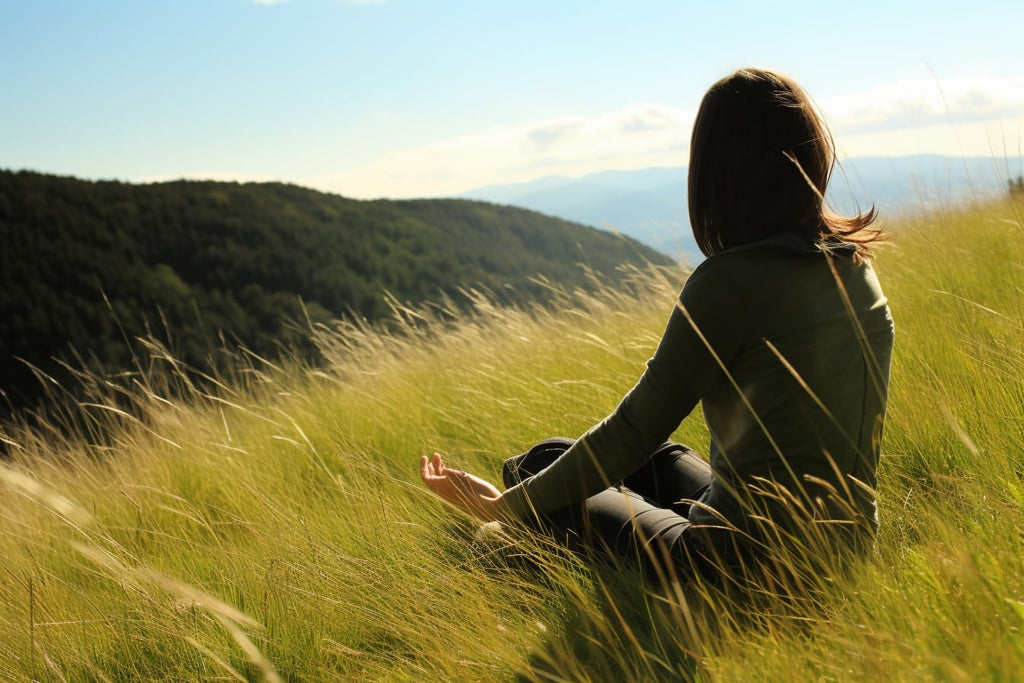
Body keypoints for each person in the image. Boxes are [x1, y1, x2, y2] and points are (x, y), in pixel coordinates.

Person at [419, 68, 894, 586]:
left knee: (534, 475)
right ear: (810, 158)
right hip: (847, 553)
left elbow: (631, 432)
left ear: (716, 173)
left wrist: (503, 508)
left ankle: (512, 534)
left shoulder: (727, 285)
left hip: (740, 570)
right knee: (619, 459)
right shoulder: (855, 266)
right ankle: (545, 507)